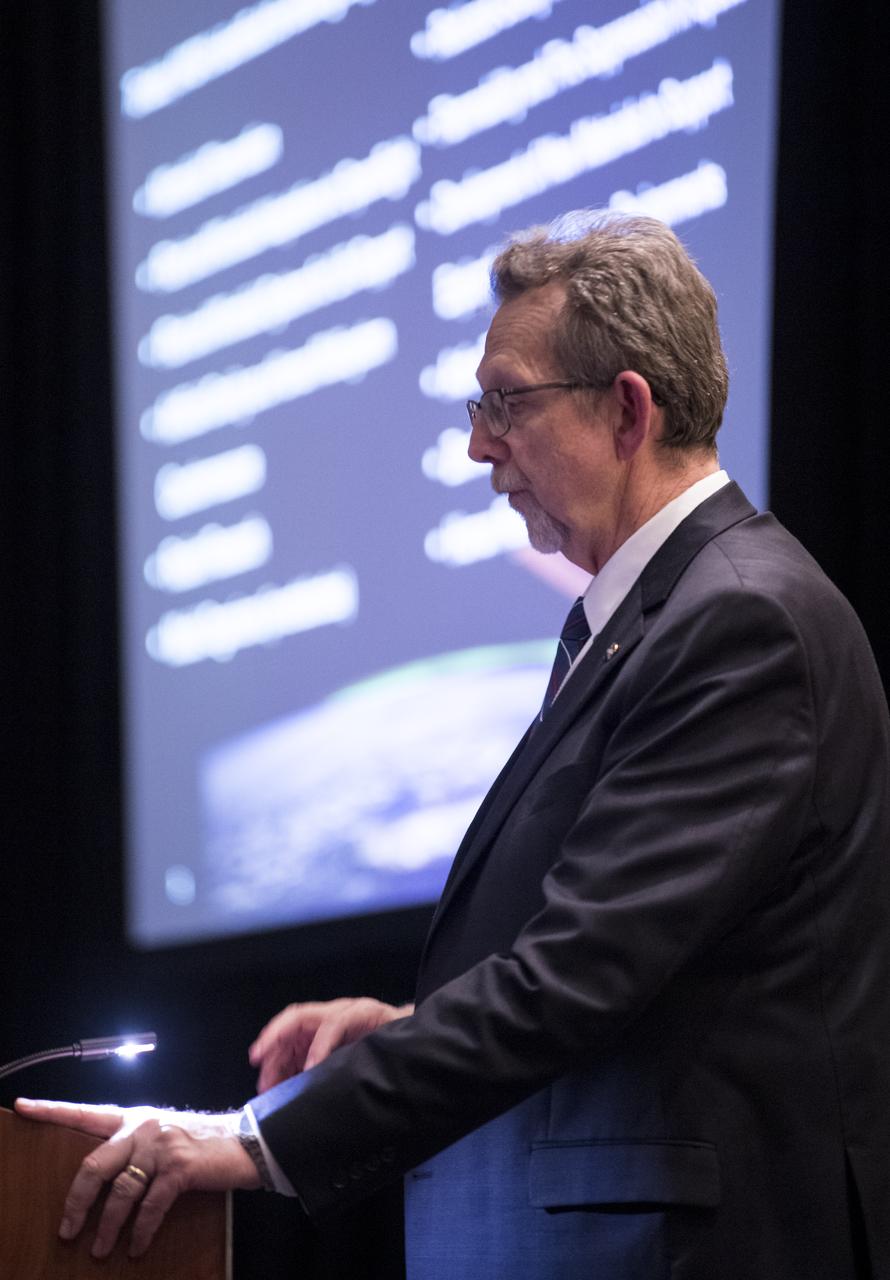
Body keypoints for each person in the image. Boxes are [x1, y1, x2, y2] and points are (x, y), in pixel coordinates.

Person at [18, 211, 890, 1279]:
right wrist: (408, 1026)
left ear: (626, 408)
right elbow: (634, 972)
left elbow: (576, 975)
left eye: (507, 404)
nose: (479, 445)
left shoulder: (739, 619)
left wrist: (249, 1138)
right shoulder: (647, 621)